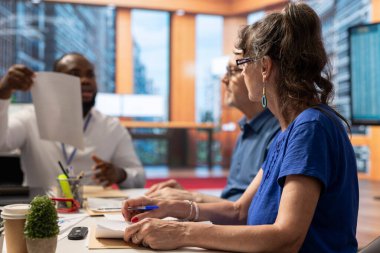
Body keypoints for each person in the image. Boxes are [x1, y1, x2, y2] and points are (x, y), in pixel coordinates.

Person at [122, 3, 359, 252]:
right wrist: (172, 208)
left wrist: (184, 232)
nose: (243, 71)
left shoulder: (311, 128)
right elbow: (239, 211)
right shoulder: (289, 132)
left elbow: (287, 238)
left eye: (243, 62)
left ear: (265, 67)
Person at [0, 53, 145, 190]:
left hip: (93, 212)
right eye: (75, 75)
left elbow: (139, 177)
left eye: (90, 75)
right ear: (54, 83)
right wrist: (3, 92)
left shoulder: (112, 127)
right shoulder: (30, 118)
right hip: (42, 210)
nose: (86, 80)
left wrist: (120, 174)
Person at [145, 54, 280, 202]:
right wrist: (185, 196)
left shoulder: (278, 133)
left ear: (263, 71)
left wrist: (192, 199)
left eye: (233, 70)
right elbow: (232, 200)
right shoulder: (246, 128)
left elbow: (249, 212)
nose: (224, 79)